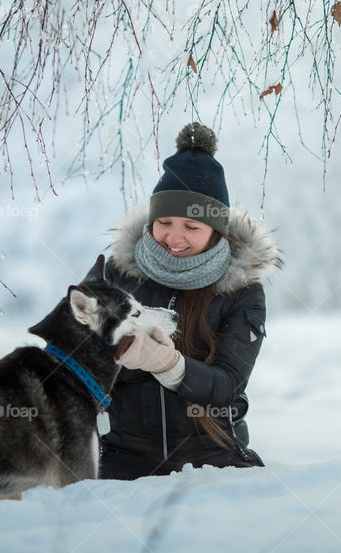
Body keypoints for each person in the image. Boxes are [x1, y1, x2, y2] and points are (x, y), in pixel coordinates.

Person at [100, 122, 281, 480]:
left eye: (192, 227)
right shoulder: (120, 276)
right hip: (124, 456)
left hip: (213, 459)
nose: (174, 237)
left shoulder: (242, 291)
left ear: (216, 232)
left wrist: (168, 364)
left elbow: (228, 384)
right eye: (164, 221)